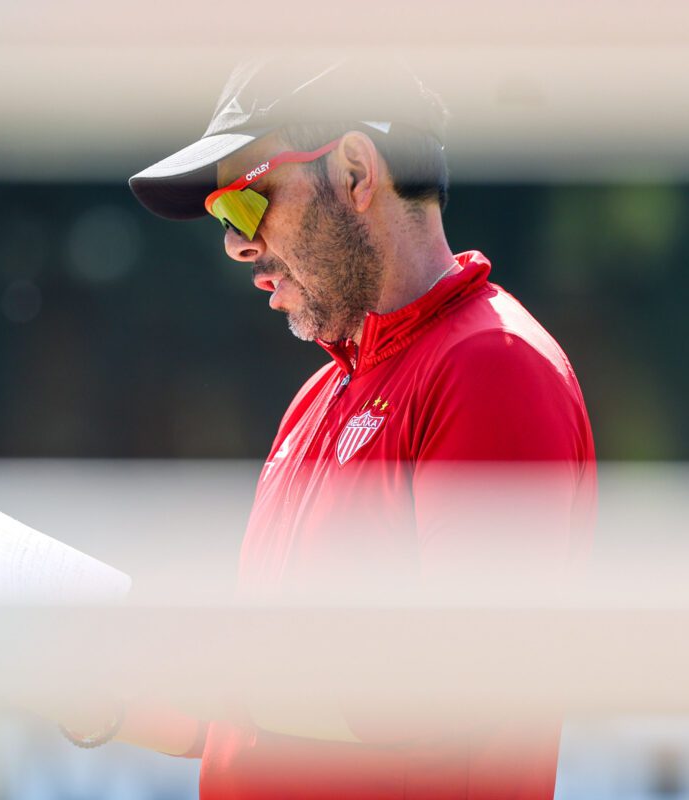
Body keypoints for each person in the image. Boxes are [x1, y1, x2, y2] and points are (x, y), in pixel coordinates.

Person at [55, 56, 596, 799]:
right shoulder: (321, 394)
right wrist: (76, 684)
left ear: (352, 171)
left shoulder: (491, 363)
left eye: (243, 205)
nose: (235, 246)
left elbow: (456, 684)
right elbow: (248, 724)